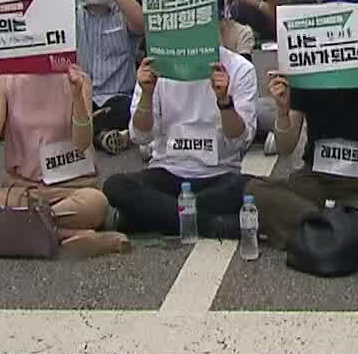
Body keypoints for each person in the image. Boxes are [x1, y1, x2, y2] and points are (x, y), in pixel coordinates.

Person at [249, 0, 358, 247]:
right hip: (314, 180)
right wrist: (283, 109)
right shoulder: (308, 73)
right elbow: (285, 147)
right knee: (254, 191)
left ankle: (318, 226)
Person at [0, 61, 128, 256]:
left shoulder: (78, 79)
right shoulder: (6, 82)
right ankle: (66, 234)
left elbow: (83, 141)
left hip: (69, 190)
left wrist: (76, 96)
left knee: (96, 203)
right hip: (23, 190)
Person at [101, 46, 259, 239]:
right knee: (115, 185)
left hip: (219, 176)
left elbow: (240, 141)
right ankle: (211, 224)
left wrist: (224, 102)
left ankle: (151, 217)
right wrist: (147, 95)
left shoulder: (240, 68)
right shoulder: (156, 67)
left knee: (252, 189)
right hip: (167, 173)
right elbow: (141, 136)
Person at [57, 0, 143, 153]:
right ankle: (109, 135)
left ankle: (98, 132)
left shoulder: (124, 14)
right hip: (83, 99)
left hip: (118, 99)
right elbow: (45, 23)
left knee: (128, 110)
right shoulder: (73, 14)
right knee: (65, 111)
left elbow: (143, 25)